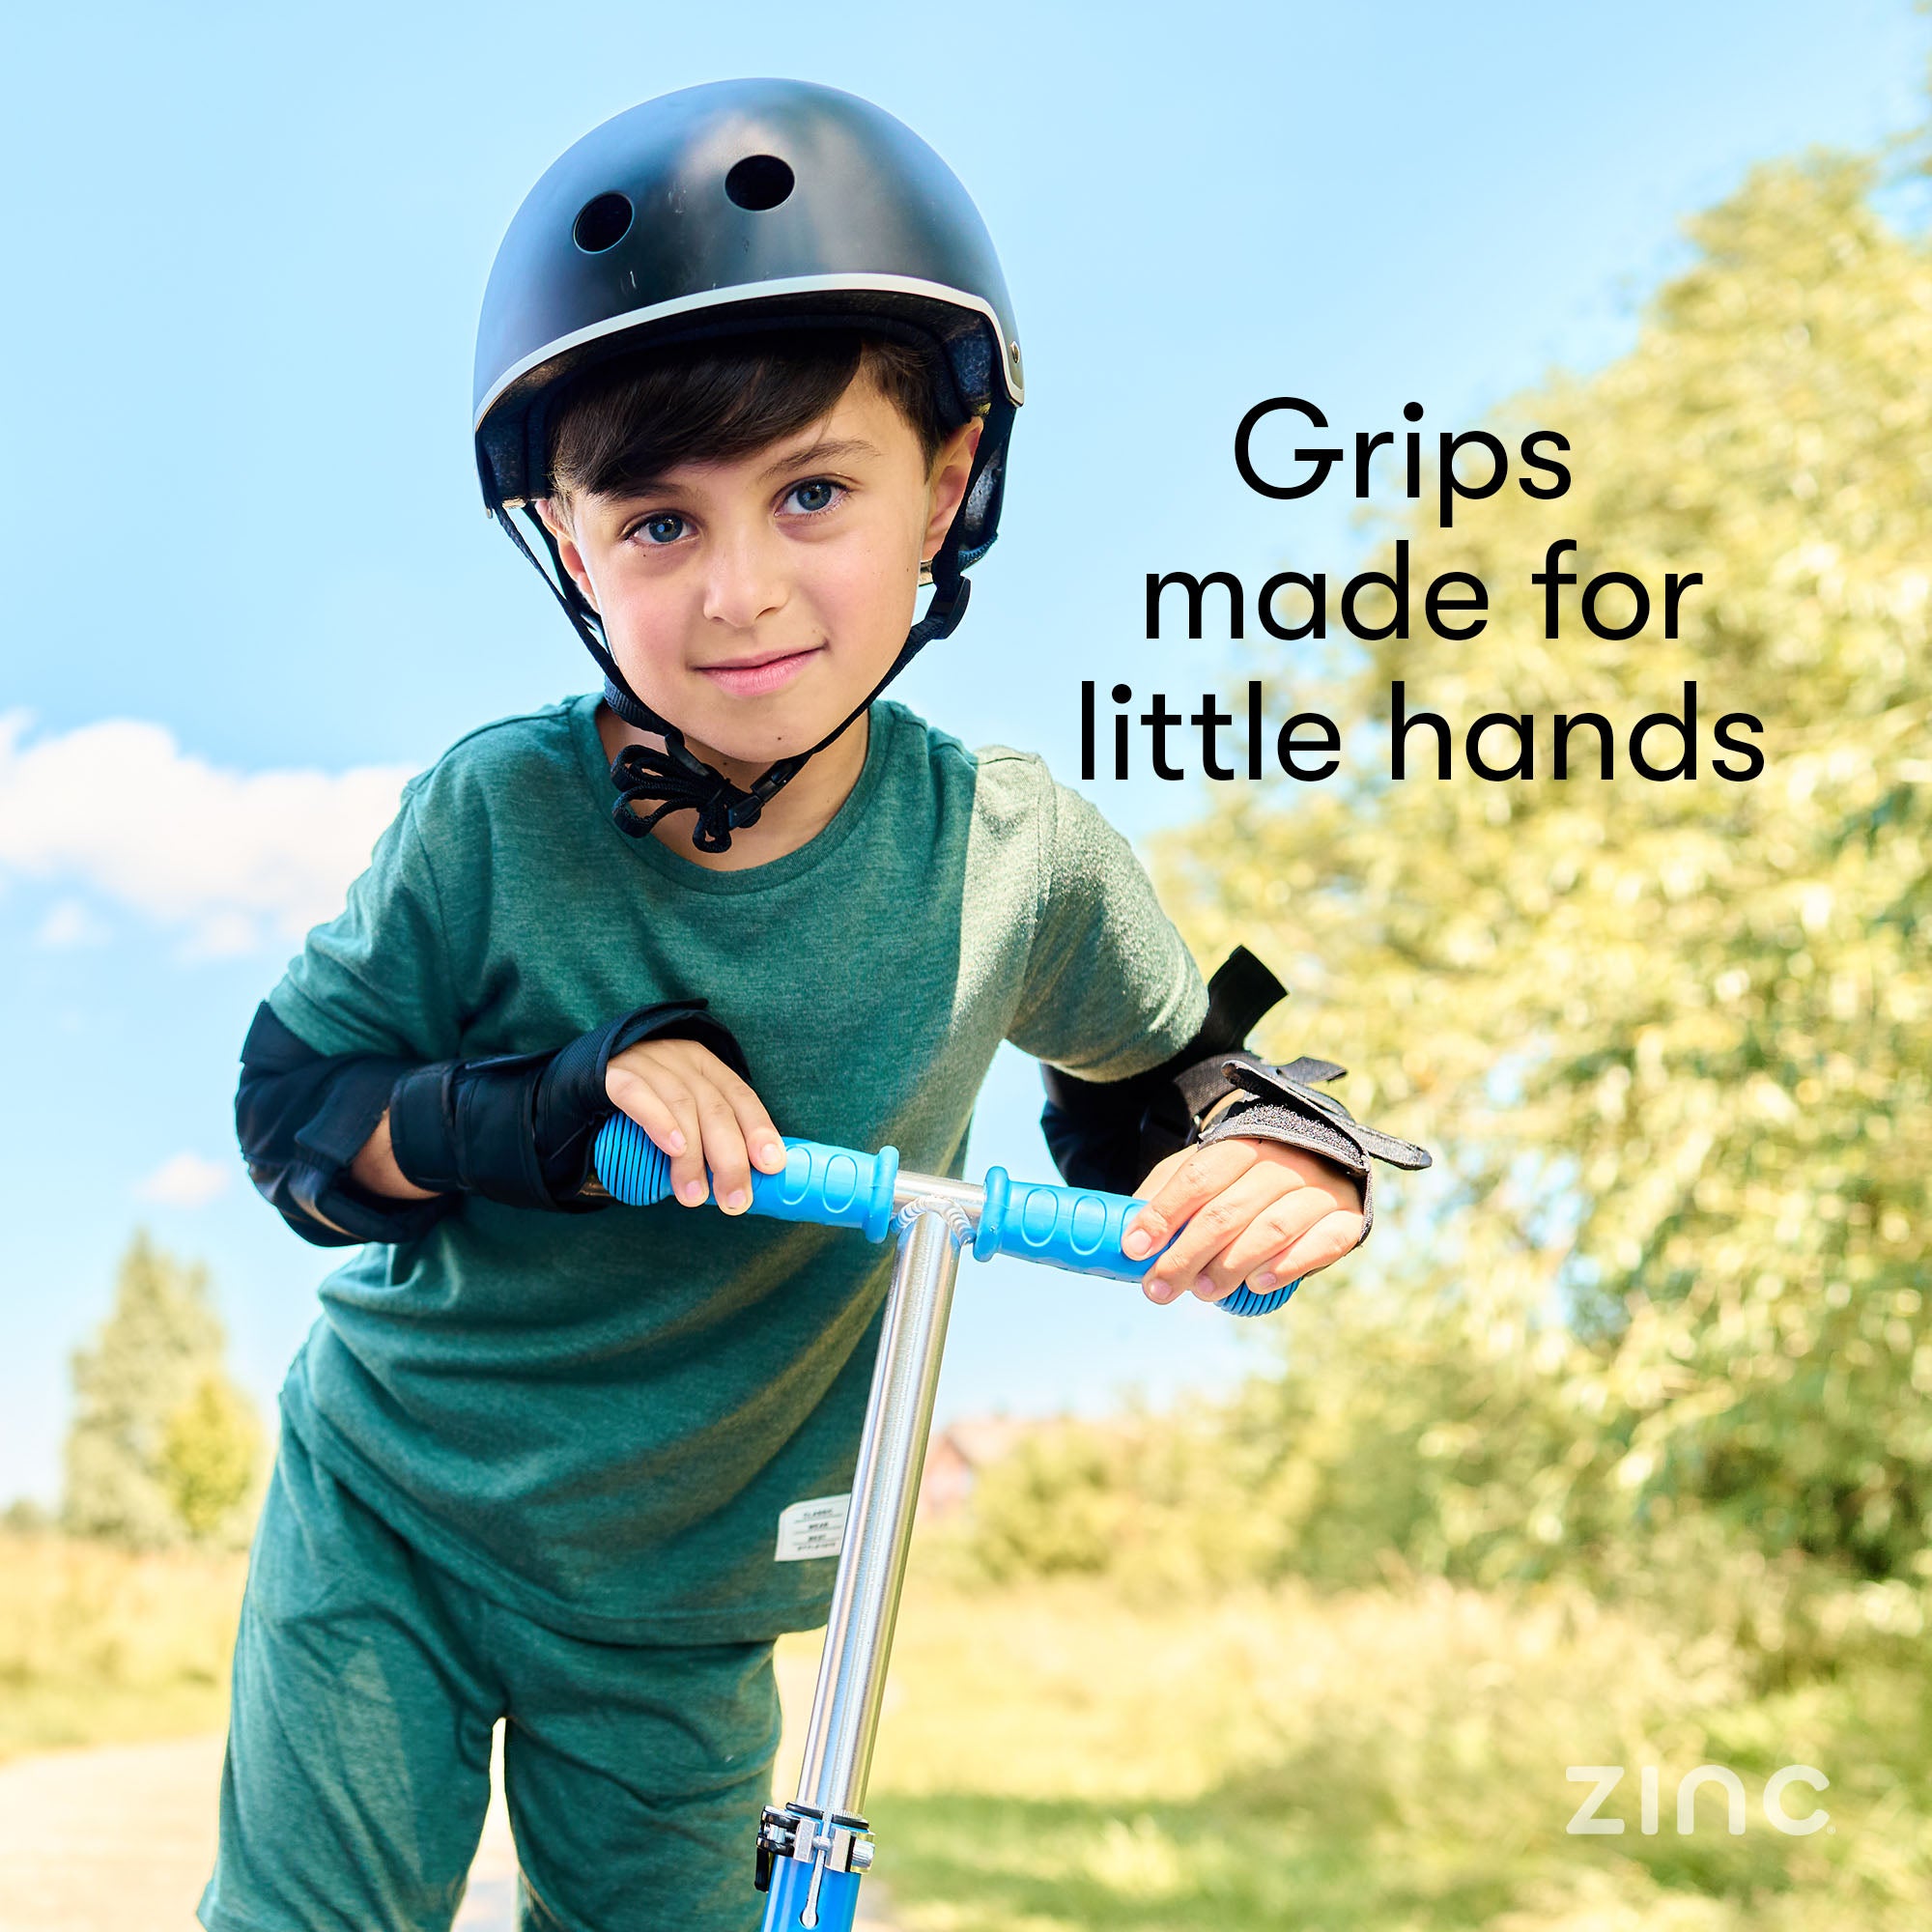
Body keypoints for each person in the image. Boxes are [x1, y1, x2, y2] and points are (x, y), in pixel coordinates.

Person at [202, 79, 1429, 1932]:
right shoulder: (492, 816)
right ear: (569, 544)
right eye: (658, 524)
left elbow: (1168, 1084)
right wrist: (559, 1106)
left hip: (696, 1593)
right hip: (403, 1506)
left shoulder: (1012, 856)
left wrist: (1275, 1154)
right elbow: (297, 1116)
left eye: (813, 492)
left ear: (947, 485)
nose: (743, 593)